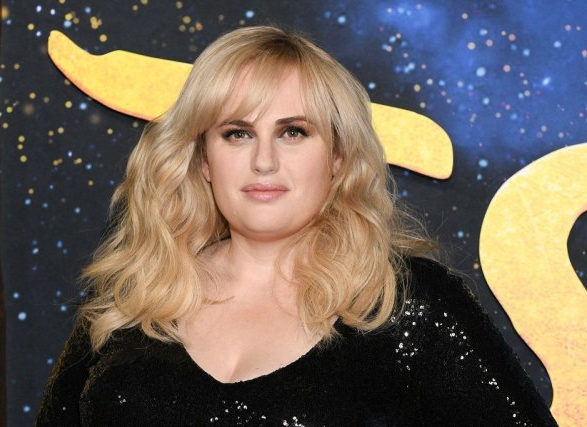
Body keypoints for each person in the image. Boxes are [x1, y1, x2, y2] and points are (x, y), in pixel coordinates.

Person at [37, 26, 557, 426]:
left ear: (338, 158)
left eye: (293, 132)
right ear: (202, 159)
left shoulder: (405, 302)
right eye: (237, 133)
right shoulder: (131, 300)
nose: (264, 161)